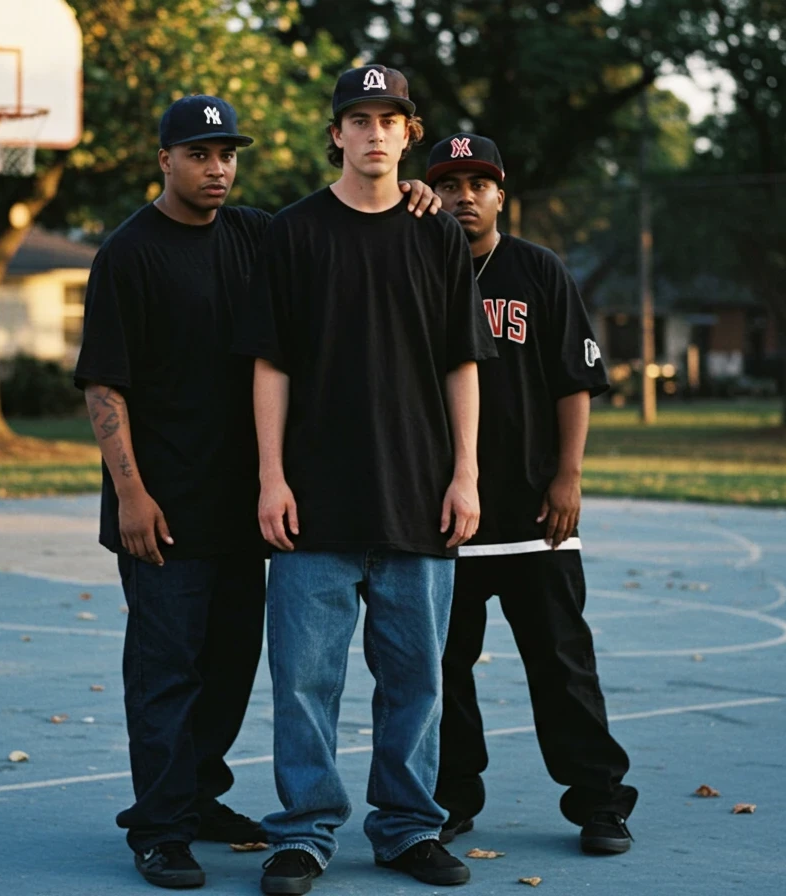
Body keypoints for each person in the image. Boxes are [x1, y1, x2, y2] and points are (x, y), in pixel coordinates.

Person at [75, 94, 442, 890]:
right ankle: (160, 828)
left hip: (245, 509)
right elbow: (104, 385)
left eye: (227, 154)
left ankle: (200, 798)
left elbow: (347, 222)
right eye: (199, 154)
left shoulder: (255, 234)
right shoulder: (129, 253)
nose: (217, 168)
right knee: (166, 674)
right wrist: (130, 496)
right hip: (164, 511)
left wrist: (420, 194)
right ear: (164, 159)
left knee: (232, 667)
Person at [234, 66, 496, 895]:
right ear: (337, 134)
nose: (375, 132)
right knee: (306, 682)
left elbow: (462, 363)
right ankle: (304, 834)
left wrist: (467, 475)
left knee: (416, 681)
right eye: (359, 118)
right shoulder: (294, 232)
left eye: (390, 118)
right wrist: (271, 477)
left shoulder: (436, 233)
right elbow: (270, 363)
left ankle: (408, 829)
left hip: (419, 495)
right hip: (316, 497)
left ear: (409, 132)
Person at [425, 133, 639, 856]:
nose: (464, 197)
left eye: (478, 184)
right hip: (440, 517)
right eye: (449, 184)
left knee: (562, 663)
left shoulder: (537, 271)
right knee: (440, 671)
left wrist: (568, 475)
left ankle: (600, 801)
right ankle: (450, 798)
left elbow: (574, 383)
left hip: (531, 514)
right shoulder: (411, 266)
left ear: (500, 195)